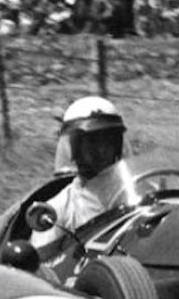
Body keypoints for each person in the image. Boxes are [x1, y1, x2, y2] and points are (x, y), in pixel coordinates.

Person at [30, 96, 131, 250]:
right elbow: (42, 266)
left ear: (117, 143)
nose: (102, 149)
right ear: (75, 147)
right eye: (92, 142)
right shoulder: (58, 209)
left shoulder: (137, 192)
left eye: (108, 140)